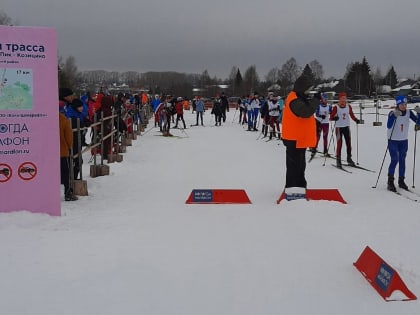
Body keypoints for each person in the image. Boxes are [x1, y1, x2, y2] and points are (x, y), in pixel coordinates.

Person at [282, 75, 319, 200]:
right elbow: (305, 112)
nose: (308, 92)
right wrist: (315, 101)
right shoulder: (293, 99)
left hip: (298, 139)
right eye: (307, 89)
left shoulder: (299, 98)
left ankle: (299, 187)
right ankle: (293, 189)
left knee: (300, 166)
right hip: (293, 139)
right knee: (295, 167)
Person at [386, 95, 420, 191]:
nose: (404, 106)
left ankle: (401, 180)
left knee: (402, 160)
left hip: (404, 141)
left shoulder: (409, 112)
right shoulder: (392, 112)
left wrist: (419, 113)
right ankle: (390, 181)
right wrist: (394, 116)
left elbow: (418, 122)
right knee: (394, 159)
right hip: (393, 140)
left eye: (405, 104)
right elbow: (388, 126)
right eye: (401, 104)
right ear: (397, 104)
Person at [330, 92, 361, 167]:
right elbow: (330, 118)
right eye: (342, 98)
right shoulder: (336, 107)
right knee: (339, 144)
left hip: (346, 127)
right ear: (339, 99)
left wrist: (356, 120)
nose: (344, 100)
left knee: (349, 144)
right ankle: (338, 159)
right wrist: (334, 118)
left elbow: (352, 115)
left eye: (345, 98)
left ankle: (349, 158)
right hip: (339, 128)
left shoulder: (348, 106)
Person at [66, 98, 90, 180]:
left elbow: (85, 121)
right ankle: (71, 178)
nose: (82, 108)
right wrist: (83, 123)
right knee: (75, 160)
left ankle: (73, 178)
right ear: (75, 107)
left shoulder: (79, 113)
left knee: (78, 160)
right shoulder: (70, 115)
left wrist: (86, 122)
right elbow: (77, 123)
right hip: (72, 141)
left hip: (78, 140)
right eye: (80, 107)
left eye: (82, 106)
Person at [59, 103, 77, 201]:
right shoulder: (64, 120)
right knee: (66, 173)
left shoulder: (46, 118)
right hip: (62, 151)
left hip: (48, 153)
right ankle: (68, 193)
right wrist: (69, 147)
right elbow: (69, 137)